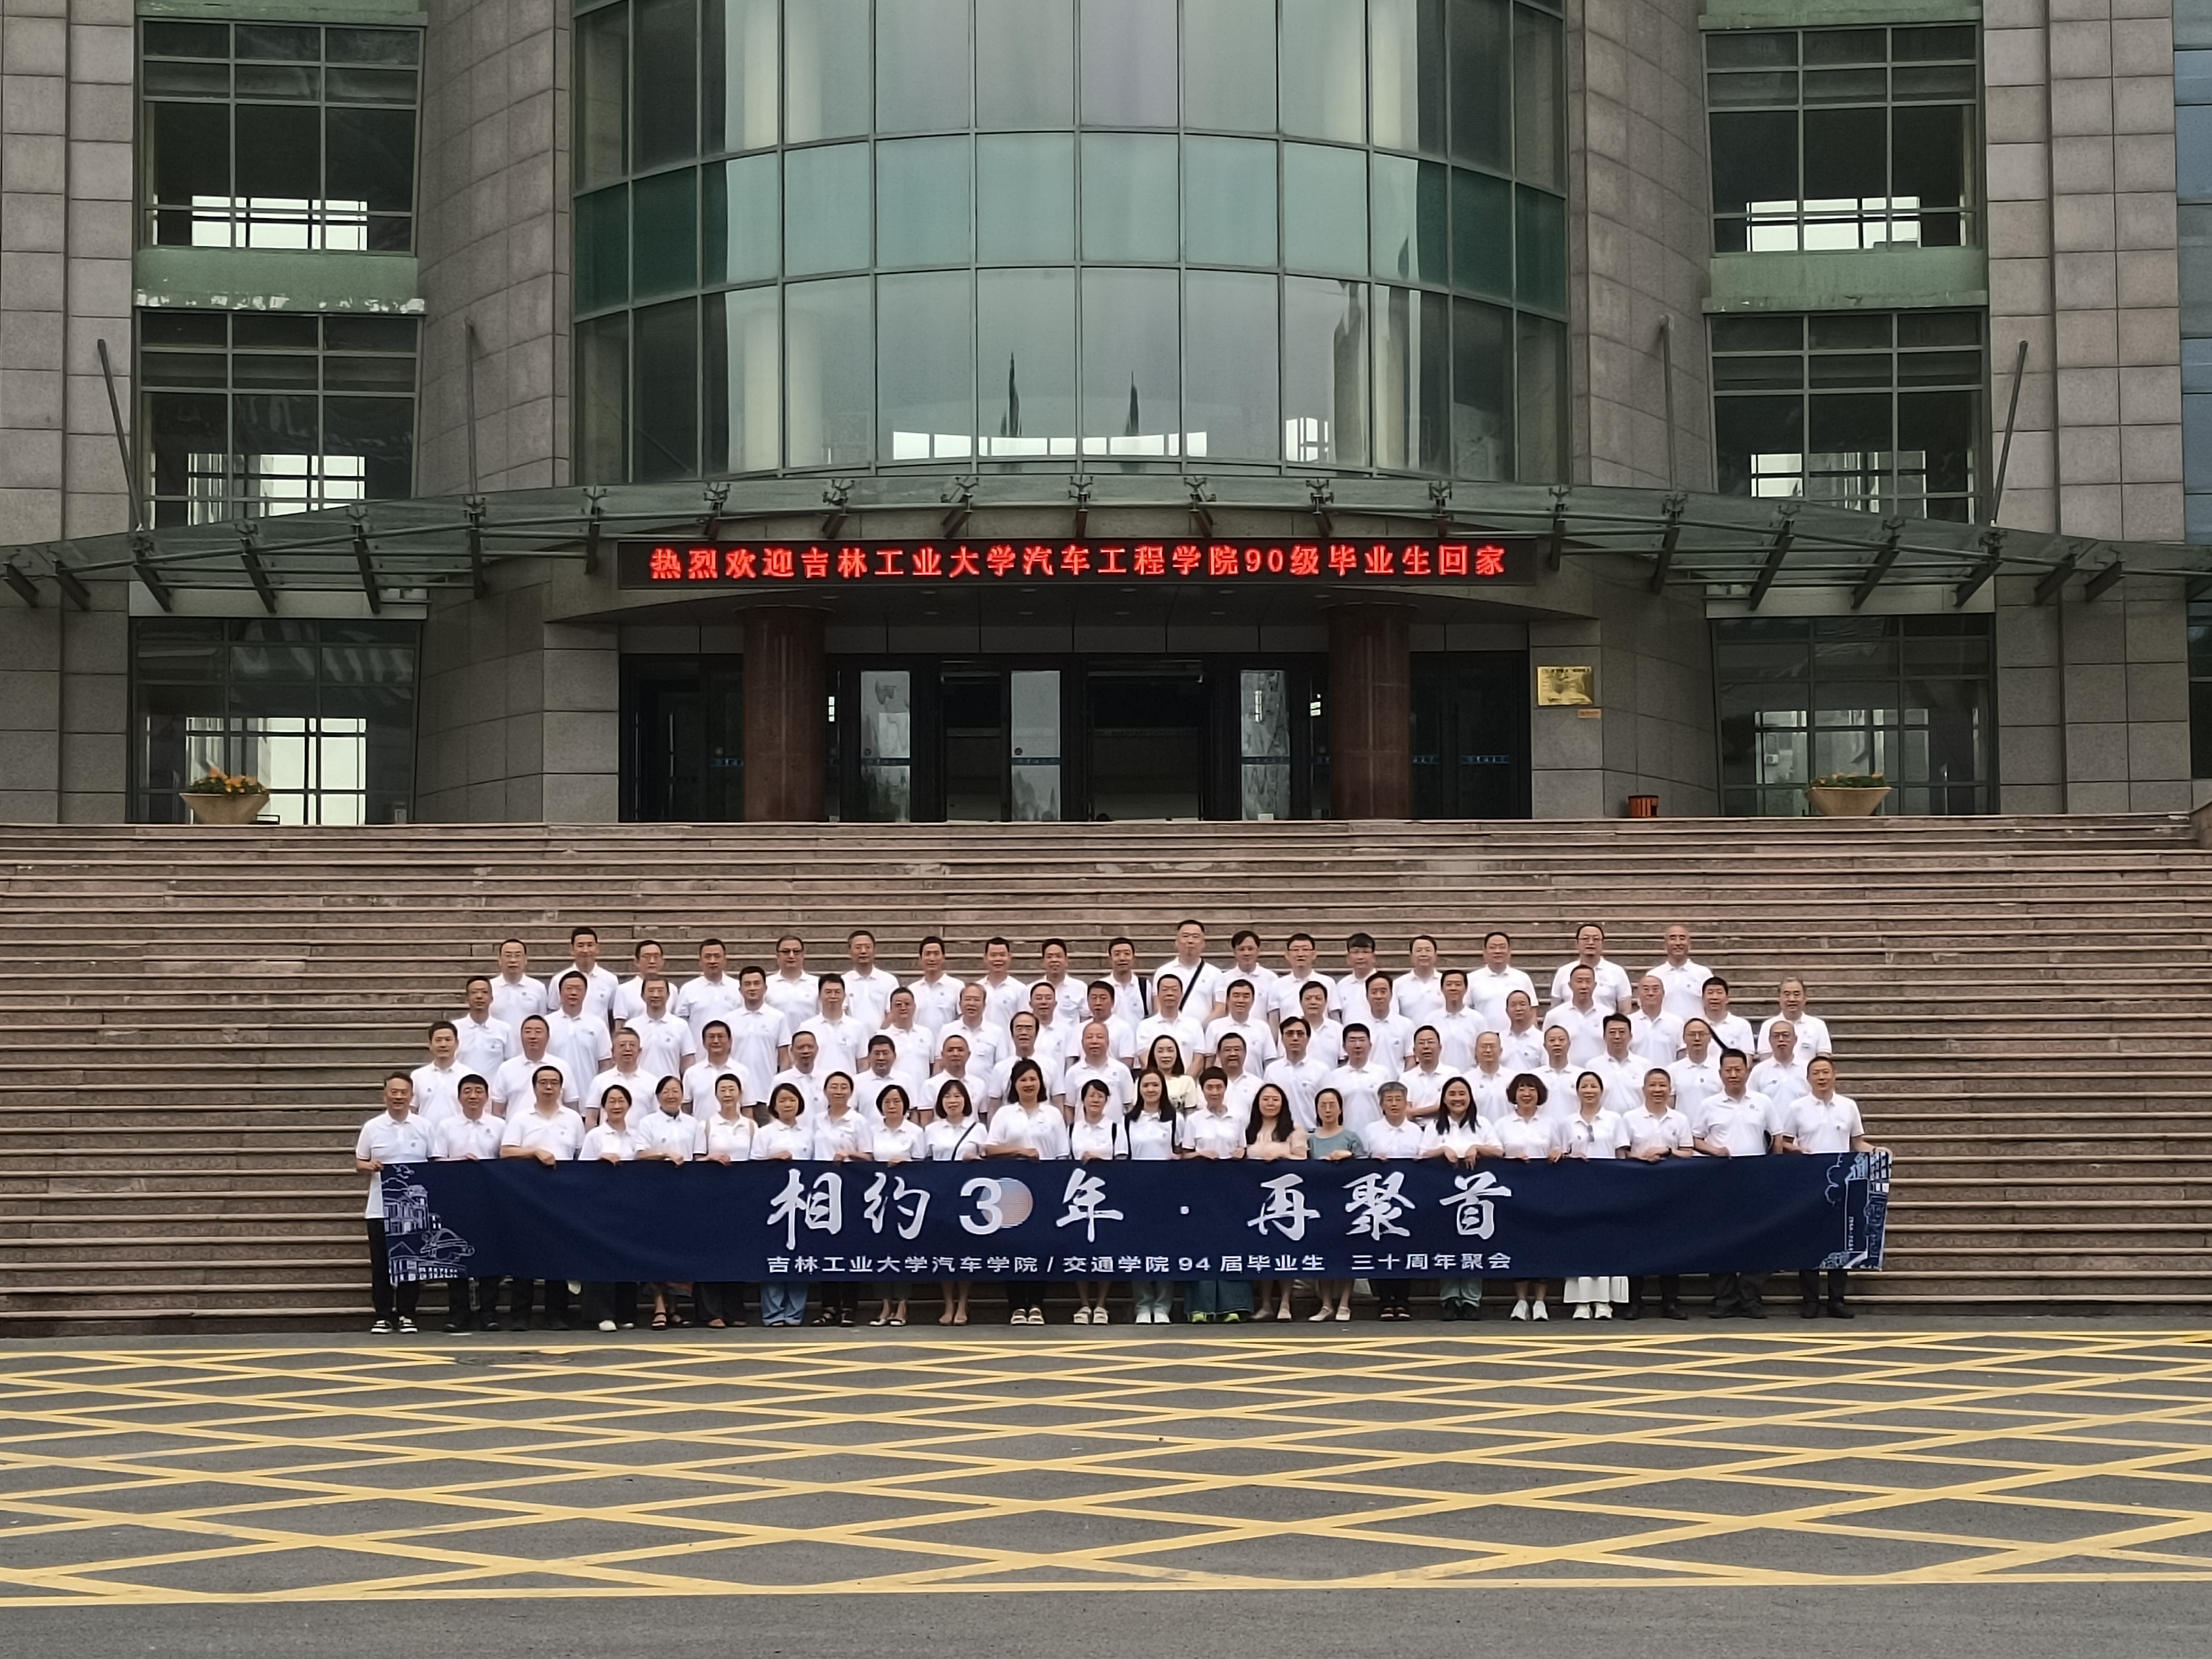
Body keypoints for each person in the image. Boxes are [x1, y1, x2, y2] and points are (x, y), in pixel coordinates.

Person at [1776, 1055, 1883, 1318]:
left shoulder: (1848, 1106)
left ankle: (1837, 1300)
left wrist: (1877, 1151)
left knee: (1841, 1240)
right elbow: (1784, 1143)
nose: (1822, 1078)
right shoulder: (1797, 1108)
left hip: (1841, 1183)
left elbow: (1857, 1143)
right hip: (1808, 1184)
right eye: (1816, 1073)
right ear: (1808, 1078)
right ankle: (1810, 1300)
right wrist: (1796, 1149)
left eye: (1826, 1072)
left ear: (1835, 1076)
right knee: (1808, 1241)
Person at [499, 1063, 587, 1328]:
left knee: (557, 1252)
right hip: (527, 1193)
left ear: (561, 1088)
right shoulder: (521, 1118)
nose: (549, 1087)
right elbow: (506, 1151)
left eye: (554, 1083)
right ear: (535, 1087)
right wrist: (535, 1152)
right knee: (525, 1251)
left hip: (562, 1194)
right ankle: (520, 1315)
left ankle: (556, 1315)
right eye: (543, 1083)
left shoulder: (573, 1119)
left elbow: (580, 1155)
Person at [1697, 1049, 1775, 1319]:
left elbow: (1777, 1137)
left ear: (1747, 1071)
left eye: (1738, 1069)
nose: (1733, 1074)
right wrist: (1713, 1151)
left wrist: (1774, 1170)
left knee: (1761, 1239)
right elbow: (1694, 1139)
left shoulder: (1763, 1102)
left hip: (1756, 1181)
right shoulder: (1709, 1105)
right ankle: (1726, 1299)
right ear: (1720, 1074)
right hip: (1720, 1181)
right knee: (1719, 1240)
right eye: (1728, 1070)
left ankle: (1751, 1297)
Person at [986, 1060, 1065, 1325]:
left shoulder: (1053, 1114)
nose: (1029, 1084)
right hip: (1012, 1190)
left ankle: (1037, 1305)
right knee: (1014, 1245)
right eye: (1023, 1080)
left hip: (1045, 1187)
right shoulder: (1005, 1114)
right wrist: (1020, 1151)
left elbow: (1063, 1154)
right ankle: (1017, 1305)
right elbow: (990, 1148)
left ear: (1041, 1083)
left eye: (1033, 1079)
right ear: (1014, 1085)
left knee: (1040, 1246)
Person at [356, 1072, 431, 1334]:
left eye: (404, 1092)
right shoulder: (372, 1127)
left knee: (411, 1263)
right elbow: (359, 1162)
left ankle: (407, 1314)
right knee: (381, 1264)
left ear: (412, 1096)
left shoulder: (425, 1126)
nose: (399, 1097)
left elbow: (435, 1161)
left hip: (414, 1209)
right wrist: (370, 1166)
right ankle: (383, 1315)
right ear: (385, 1095)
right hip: (379, 1208)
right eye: (394, 1092)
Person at [432, 1073, 505, 1331]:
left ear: (487, 1096)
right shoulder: (446, 1126)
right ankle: (458, 1313)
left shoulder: (500, 1125)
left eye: (478, 1091)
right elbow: (437, 1160)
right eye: (468, 1091)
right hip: (456, 1200)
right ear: (459, 1096)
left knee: (490, 1256)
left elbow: (506, 1161)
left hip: (490, 1200)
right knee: (455, 1256)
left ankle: (489, 1313)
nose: (473, 1096)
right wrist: (459, 1162)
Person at [1178, 1068, 1250, 1323]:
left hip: (1231, 1191)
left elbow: (1243, 1148)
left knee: (1231, 1245)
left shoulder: (1237, 1119)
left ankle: (1233, 1306)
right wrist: (1200, 1154)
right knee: (1202, 1246)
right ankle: (1200, 1307)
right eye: (1210, 1087)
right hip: (1201, 1191)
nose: (1215, 1092)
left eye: (1219, 1087)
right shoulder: (1194, 1120)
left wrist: (1242, 1153)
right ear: (1203, 1090)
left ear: (1225, 1089)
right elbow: (1185, 1154)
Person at [1623, 1069, 1695, 1321]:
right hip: (1637, 1189)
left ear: (1670, 1090)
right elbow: (1622, 1153)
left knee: (1671, 1245)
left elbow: (1689, 1151)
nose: (1657, 1090)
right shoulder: (1630, 1118)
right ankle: (1635, 1303)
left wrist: (1668, 1152)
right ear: (1644, 1089)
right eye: (1653, 1085)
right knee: (1636, 1245)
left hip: (1671, 1190)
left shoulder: (1680, 1119)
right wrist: (1641, 1157)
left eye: (1662, 1085)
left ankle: (1671, 1303)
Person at [1361, 1082, 1436, 1320]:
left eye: (1398, 1099)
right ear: (1381, 1104)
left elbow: (1425, 1158)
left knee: (1406, 1248)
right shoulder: (1370, 1130)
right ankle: (1385, 1301)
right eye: (1389, 1100)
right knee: (1380, 1248)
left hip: (1409, 1198)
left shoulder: (1418, 1131)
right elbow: (1361, 1160)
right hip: (1379, 1199)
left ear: (1406, 1103)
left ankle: (1403, 1301)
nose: (1394, 1104)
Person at [1493, 1074, 1563, 1320]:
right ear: (1514, 1094)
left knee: (1543, 1244)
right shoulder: (1503, 1124)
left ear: (1539, 1094)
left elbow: (1558, 1149)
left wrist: (1556, 1153)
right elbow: (1495, 1154)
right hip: (1513, 1193)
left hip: (1543, 1191)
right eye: (1521, 1089)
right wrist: (1509, 1159)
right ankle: (1521, 1300)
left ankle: (1541, 1301)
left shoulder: (1550, 1124)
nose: (1526, 1094)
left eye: (1531, 1089)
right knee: (1518, 1243)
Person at [1562, 1070, 1630, 1320]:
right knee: (1579, 1244)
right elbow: (1561, 1154)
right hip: (1577, 1190)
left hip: (1608, 1188)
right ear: (1577, 1091)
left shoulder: (1614, 1120)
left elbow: (1621, 1155)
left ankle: (1604, 1301)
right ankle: (1581, 1302)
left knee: (1606, 1244)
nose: (1589, 1091)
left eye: (1594, 1086)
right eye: (1585, 1086)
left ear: (1602, 1091)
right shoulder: (1567, 1122)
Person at [577, 1087, 641, 1333]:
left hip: (629, 1205)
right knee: (601, 1259)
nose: (616, 1106)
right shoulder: (595, 1136)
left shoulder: (637, 1136)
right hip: (601, 1204)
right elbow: (583, 1170)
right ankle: (602, 1314)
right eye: (611, 1101)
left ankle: (625, 1312)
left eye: (621, 1101)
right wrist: (601, 1161)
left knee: (627, 1257)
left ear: (629, 1105)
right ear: (604, 1106)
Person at [695, 1074, 755, 1329]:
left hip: (742, 1197)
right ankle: (711, 1312)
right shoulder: (706, 1125)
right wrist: (710, 1159)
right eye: (723, 1089)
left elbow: (757, 1160)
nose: (728, 1094)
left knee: (737, 1252)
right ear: (716, 1094)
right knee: (710, 1251)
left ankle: (734, 1309)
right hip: (712, 1197)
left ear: (740, 1093)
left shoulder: (751, 1126)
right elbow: (696, 1161)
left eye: (732, 1089)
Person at [1431, 1076, 1493, 1320]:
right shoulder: (1435, 1126)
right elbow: (1419, 1155)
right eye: (1452, 1094)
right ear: (1444, 1099)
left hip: (1475, 1199)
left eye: (1462, 1094)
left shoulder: (1482, 1124)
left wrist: (1478, 1148)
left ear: (1470, 1097)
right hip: (1443, 1195)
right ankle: (1449, 1300)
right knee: (1446, 1245)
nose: (1457, 1099)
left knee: (1473, 1246)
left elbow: (1499, 1150)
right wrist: (1442, 1150)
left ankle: (1471, 1300)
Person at [1245, 1082, 1307, 1321]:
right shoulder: (1248, 1129)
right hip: (1256, 1197)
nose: (1270, 1104)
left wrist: (1282, 1154)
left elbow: (1303, 1159)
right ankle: (1266, 1304)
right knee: (1263, 1250)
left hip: (1286, 1198)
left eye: (1275, 1099)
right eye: (1266, 1099)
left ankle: (1285, 1303)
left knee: (1285, 1250)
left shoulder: (1294, 1129)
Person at [750, 1084, 811, 1327]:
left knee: (799, 1257)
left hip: (804, 1203)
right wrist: (772, 1160)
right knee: (774, 1256)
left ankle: (795, 1312)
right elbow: (753, 1166)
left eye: (792, 1100)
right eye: (783, 1100)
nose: (788, 1104)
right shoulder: (764, 1133)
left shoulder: (809, 1133)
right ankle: (773, 1312)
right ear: (774, 1106)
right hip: (773, 1203)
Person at [926, 1079, 985, 1326]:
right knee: (945, 1251)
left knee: (966, 1250)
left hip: (969, 1198)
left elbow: (988, 1163)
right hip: (940, 1196)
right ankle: (948, 1303)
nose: (953, 1101)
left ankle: (963, 1303)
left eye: (958, 1096)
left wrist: (975, 1159)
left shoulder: (978, 1129)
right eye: (948, 1097)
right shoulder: (931, 1130)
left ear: (966, 1101)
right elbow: (924, 1162)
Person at [1069, 1080, 1127, 1323]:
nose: (1095, 1100)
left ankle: (1102, 1305)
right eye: (1091, 1095)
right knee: (1079, 1250)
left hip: (1107, 1195)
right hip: (1077, 1196)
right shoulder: (1073, 1128)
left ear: (1106, 1101)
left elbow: (1122, 1161)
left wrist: (1100, 1160)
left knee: (1106, 1249)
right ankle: (1084, 1305)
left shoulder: (1115, 1128)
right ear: (1082, 1100)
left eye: (1100, 1096)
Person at [1126, 1070, 1179, 1324]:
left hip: (1167, 1191)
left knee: (1166, 1248)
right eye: (1146, 1085)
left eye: (1155, 1085)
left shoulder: (1174, 1119)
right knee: (1138, 1248)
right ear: (1139, 1089)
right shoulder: (1129, 1120)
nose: (1150, 1089)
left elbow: (1181, 1150)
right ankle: (1142, 1304)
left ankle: (1162, 1306)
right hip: (1137, 1191)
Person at [870, 1086, 926, 1327]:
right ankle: (885, 1305)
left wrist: (907, 1162)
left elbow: (924, 1164)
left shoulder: (915, 1132)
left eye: (897, 1101)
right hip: (878, 1198)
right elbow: (868, 1158)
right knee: (880, 1250)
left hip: (907, 1198)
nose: (892, 1106)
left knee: (904, 1250)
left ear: (906, 1105)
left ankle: (902, 1304)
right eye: (887, 1101)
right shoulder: (872, 1131)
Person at [1306, 1088, 1363, 1321]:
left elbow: (1365, 1168)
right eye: (1323, 1105)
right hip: (1319, 1203)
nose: (1328, 1110)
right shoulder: (1311, 1139)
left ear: (1341, 1108)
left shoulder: (1351, 1137)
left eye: (1332, 1105)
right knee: (1323, 1254)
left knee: (1347, 1252)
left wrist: (1349, 1158)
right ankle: (1327, 1304)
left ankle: (1345, 1303)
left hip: (1347, 1203)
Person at [727, 965, 793, 1101]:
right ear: (740, 990)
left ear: (765, 988)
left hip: (768, 1093)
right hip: (737, 1094)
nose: (752, 988)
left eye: (757, 984)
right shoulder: (729, 1019)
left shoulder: (778, 1018)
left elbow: (785, 1057)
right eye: (747, 984)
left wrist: (780, 1086)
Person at [493, 1016, 579, 1114]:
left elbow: (572, 1105)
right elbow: (498, 1109)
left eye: (538, 1032)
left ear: (548, 1037)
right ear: (521, 1037)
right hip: (517, 1124)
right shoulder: (506, 1068)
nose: (533, 1037)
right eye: (528, 1032)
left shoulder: (562, 1067)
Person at [672, 939, 743, 1055]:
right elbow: (681, 1026)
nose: (713, 961)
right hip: (699, 1057)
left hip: (733, 1056)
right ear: (700, 961)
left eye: (717, 956)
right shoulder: (689, 989)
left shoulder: (738, 988)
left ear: (725, 960)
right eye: (708, 957)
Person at [543, 971, 613, 1086]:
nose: (573, 993)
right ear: (560, 993)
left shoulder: (598, 1025)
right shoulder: (547, 1024)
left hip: (588, 1090)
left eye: (578, 989)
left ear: (585, 993)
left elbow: (605, 1063)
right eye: (569, 989)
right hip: (553, 1090)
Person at [1062, 1020, 1137, 1121]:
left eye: (1100, 1037)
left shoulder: (1122, 1070)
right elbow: (1070, 1107)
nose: (1094, 1041)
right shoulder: (1073, 1073)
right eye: (1089, 1037)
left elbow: (1129, 1105)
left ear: (1108, 1043)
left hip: (1115, 1130)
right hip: (1082, 1130)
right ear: (1082, 1043)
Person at [1550, 923, 1634, 1013]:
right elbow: (1555, 1008)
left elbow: (1625, 1009)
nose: (1591, 943)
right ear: (1577, 944)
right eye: (1586, 939)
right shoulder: (1564, 972)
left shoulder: (1617, 972)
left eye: (1596, 939)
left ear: (1603, 944)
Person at [1321, 1024, 1391, 1133]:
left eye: (1362, 1040)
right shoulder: (1335, 1076)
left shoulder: (1383, 1073)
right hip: (1345, 1135)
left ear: (1370, 1045)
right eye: (1352, 1041)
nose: (1357, 1045)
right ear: (1344, 1046)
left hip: (1377, 1135)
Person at [1263, 1015, 1329, 1130]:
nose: (1295, 1038)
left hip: (1312, 1133)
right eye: (1290, 1034)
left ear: (1308, 1038)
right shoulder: (1272, 1070)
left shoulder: (1321, 1071)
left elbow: (1327, 1106)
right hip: (1279, 1134)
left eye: (1300, 1034)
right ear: (1282, 1039)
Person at [625, 976, 694, 1081]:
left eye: (660, 991)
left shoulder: (681, 1026)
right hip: (639, 1086)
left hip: (670, 1088)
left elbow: (688, 1062)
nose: (656, 995)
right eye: (651, 991)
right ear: (642, 996)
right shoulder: (632, 1026)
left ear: (668, 995)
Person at [800, 973, 870, 1075]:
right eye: (828, 992)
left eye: (837, 992)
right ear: (819, 996)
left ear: (844, 996)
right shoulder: (807, 1028)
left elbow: (863, 1064)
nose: (833, 996)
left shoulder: (857, 1028)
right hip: (816, 1084)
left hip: (848, 1083)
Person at [1203, 976, 1279, 1071]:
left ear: (1253, 1000)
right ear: (1228, 1000)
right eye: (1236, 996)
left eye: (1246, 996)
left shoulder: (1263, 1028)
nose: (1241, 1000)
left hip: (1255, 1080)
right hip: (1223, 1080)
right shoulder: (1215, 1026)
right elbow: (1209, 1062)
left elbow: (1269, 1062)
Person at [1154, 918, 1223, 1020]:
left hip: (1203, 1028)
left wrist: (1201, 1027)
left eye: (1195, 937)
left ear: (1203, 944)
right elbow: (1157, 1004)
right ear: (1177, 942)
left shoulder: (1215, 973)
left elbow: (1220, 1007)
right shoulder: (1163, 971)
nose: (1190, 941)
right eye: (1185, 936)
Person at [1135, 972, 1204, 1071]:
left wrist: (1185, 1079)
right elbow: (1145, 1058)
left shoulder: (1194, 1025)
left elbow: (1199, 1060)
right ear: (1158, 994)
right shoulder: (1145, 1026)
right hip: (1157, 1080)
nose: (1170, 994)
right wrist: (1161, 1078)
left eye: (1174, 990)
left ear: (1181, 994)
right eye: (1165, 990)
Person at [1467, 931, 1536, 1030]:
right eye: (1493, 948)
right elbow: (1466, 1012)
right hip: (1484, 1037)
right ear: (1485, 952)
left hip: (1515, 1036)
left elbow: (1532, 1012)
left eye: (1502, 947)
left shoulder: (1522, 978)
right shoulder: (1471, 979)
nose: (1498, 951)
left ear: (1509, 951)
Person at [586, 1027, 655, 1124]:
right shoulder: (600, 1081)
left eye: (632, 1045)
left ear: (640, 1051)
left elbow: (657, 1117)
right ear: (613, 1051)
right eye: (622, 1045)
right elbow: (591, 1118)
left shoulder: (652, 1082)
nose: (628, 1049)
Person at [941, 980, 1010, 1075]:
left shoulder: (997, 1032)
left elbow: (1001, 1068)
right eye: (968, 999)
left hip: (985, 1085)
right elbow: (940, 1065)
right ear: (960, 1004)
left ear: (984, 1005)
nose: (972, 1004)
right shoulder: (947, 1030)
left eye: (977, 1000)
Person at [1543, 964, 1608, 1065]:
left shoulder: (1608, 1015)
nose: (1584, 986)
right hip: (1568, 1072)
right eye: (1579, 981)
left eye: (1588, 981)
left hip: (1599, 1072)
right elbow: (1546, 1049)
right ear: (1570, 985)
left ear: (1595, 985)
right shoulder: (1554, 1016)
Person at [1647, 924, 1712, 1022]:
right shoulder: (1654, 975)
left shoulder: (1704, 974)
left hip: (1696, 1030)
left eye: (1682, 938)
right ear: (1665, 944)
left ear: (1689, 944)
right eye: (1673, 938)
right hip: (1665, 1030)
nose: (1678, 943)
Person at [454, 977, 518, 1076]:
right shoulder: (456, 1028)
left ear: (492, 998)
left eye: (484, 992)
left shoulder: (504, 1029)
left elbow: (510, 1065)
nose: (479, 996)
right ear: (467, 999)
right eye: (474, 992)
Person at [682, 1021, 748, 1117]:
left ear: (730, 1042)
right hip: (701, 1126)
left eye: (721, 1036)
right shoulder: (692, 1073)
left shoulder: (742, 1072)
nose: (716, 1041)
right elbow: (686, 1109)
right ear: (704, 1043)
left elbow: (747, 1108)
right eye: (711, 1037)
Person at [1267, 931, 1332, 1028]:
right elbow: (1274, 1020)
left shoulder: (1328, 983)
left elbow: (1334, 1016)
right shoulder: (1278, 985)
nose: (1300, 954)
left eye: (1305, 950)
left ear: (1314, 954)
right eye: (1295, 950)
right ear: (1287, 955)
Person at [1667, 1018, 1725, 1123]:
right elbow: (1670, 1106)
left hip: (1714, 1129)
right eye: (1692, 1035)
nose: (1697, 1039)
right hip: (1684, 1130)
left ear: (1710, 1038)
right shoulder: (1673, 1070)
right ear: (1684, 1039)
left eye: (1702, 1034)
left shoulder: (1721, 1068)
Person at [1758, 977, 1833, 1058]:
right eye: (1787, 995)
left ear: (1805, 998)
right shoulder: (1768, 1026)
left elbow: (1824, 1058)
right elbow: (1765, 1059)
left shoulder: (1818, 1026)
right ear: (1779, 999)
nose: (1792, 999)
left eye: (1797, 995)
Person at [840, 928, 900, 1028]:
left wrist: (881, 1034)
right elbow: (841, 1012)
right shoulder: (843, 982)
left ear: (875, 951)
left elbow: (892, 1012)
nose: (863, 951)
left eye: (868, 947)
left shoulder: (889, 981)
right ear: (850, 952)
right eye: (858, 948)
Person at [562, 926, 620, 1026]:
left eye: (590, 945)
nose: (586, 950)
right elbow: (554, 1010)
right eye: (581, 946)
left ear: (597, 949)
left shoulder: (611, 980)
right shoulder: (560, 980)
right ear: (572, 949)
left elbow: (613, 1014)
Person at [410, 1021, 467, 1124]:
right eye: (439, 1040)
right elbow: (411, 1111)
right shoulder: (417, 1076)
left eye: (448, 1040)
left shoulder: (468, 1076)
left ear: (457, 1044)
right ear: (430, 1045)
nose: (443, 1045)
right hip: (426, 1133)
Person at [1356, 972, 1414, 1071]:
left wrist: (1403, 1079)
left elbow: (1410, 1059)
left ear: (1391, 995)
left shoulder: (1406, 1025)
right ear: (1367, 996)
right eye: (1374, 992)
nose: (1379, 997)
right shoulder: (1359, 1026)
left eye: (1383, 992)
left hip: (1396, 1080)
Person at [489, 938, 550, 1033]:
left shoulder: (538, 987)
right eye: (508, 956)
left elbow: (542, 1018)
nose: (513, 960)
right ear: (500, 960)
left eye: (518, 956)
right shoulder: (490, 987)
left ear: (525, 960)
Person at [1398, 1024, 1461, 1115]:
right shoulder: (1406, 1078)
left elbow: (1452, 1105)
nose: (1426, 1047)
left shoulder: (1452, 1074)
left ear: (1440, 1048)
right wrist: (1439, 1108)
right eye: (1421, 1043)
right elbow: (1406, 1112)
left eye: (1431, 1042)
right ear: (1414, 1051)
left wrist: (1416, 1113)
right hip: (1415, 1124)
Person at [1751, 1020, 1812, 1113]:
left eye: (1786, 1036)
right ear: (1770, 1041)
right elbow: (1751, 1101)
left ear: (1795, 1040)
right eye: (1776, 1036)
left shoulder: (1808, 1069)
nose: (1781, 1040)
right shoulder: (1759, 1071)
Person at [907, 934, 964, 1033]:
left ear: (944, 958)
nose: (932, 958)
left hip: (948, 1041)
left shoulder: (957, 987)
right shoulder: (912, 990)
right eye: (928, 954)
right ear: (920, 959)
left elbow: (962, 1018)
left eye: (936, 954)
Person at [772, 1030, 831, 1120]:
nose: (806, 1051)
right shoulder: (781, 1080)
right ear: (791, 1051)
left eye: (810, 1047)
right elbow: (774, 1113)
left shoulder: (827, 1079)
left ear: (817, 1049)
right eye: (801, 1048)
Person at [1432, 969, 1485, 1069]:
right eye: (1449, 984)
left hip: (1469, 1075)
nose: (1453, 988)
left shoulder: (1478, 1020)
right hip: (1441, 1076)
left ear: (1466, 989)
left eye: (1458, 984)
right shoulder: (1432, 1020)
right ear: (1442, 989)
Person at [1628, 974, 1684, 1064]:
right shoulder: (1629, 1022)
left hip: (1667, 1072)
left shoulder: (1677, 1023)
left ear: (1663, 994)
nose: (1651, 993)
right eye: (1646, 990)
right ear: (1638, 994)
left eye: (1655, 990)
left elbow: (1682, 1055)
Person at [764, 933, 819, 1026]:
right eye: (786, 952)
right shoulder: (766, 985)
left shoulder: (817, 984)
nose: (791, 956)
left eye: (796, 952)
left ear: (803, 955)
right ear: (778, 956)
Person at [974, 935, 1028, 1029]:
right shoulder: (977, 989)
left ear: (1010, 957)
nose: (998, 959)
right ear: (985, 958)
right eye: (993, 955)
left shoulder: (1021, 989)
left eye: (1002, 955)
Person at [611, 938, 667, 1024]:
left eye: (656, 957)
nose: (652, 961)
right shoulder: (624, 990)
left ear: (662, 961)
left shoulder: (672, 989)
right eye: (647, 957)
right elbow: (620, 1025)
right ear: (637, 962)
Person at [1393, 935, 1447, 1023]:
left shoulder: (1446, 983)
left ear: (1436, 955)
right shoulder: (1398, 985)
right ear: (1411, 956)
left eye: (1428, 950)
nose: (1423, 954)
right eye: (1419, 951)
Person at [1698, 976, 1756, 1056]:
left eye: (1719, 993)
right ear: (1703, 999)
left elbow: (1747, 1057)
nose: (1715, 997)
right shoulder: (1695, 1026)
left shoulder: (1742, 1025)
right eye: (1710, 993)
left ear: (1727, 999)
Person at [1144, 1033, 1201, 1114]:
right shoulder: (1143, 1081)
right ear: (1153, 1055)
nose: (1166, 1055)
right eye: (1160, 1051)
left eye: (1170, 1051)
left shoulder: (1187, 1081)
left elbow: (1190, 1114)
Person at [1332, 932, 1382, 1021]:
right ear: (1348, 958)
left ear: (1374, 957)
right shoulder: (1342, 985)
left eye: (1366, 952)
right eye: (1355, 952)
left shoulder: (1385, 985)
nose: (1360, 957)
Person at [1103, 935, 1149, 1028]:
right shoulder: (1103, 986)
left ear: (1134, 958)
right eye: (1117, 954)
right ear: (1110, 959)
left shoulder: (1144, 986)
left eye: (1127, 954)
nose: (1122, 958)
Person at [1496, 990, 1547, 1072]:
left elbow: (1546, 1069)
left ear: (1531, 1010)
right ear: (1507, 1011)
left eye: (1522, 1005)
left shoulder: (1543, 1039)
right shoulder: (1499, 1039)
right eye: (1513, 1005)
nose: (1518, 1009)